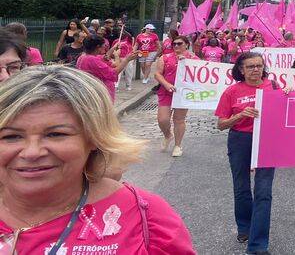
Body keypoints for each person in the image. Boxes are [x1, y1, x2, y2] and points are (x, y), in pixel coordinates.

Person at [0, 66, 195, 253]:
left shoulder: (147, 217)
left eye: (56, 134)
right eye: (11, 136)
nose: (31, 152)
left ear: (94, 137)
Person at [215, 52, 279, 255]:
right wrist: (239, 115)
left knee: (263, 192)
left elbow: (286, 109)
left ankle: (258, 245)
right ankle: (244, 226)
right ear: (241, 70)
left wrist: (289, 93)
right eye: (250, 66)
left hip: (267, 141)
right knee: (242, 187)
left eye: (259, 66)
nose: (255, 70)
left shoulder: (273, 86)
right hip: (240, 140)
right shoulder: (232, 92)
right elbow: (221, 125)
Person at [152, 35, 197, 157]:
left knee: (179, 119)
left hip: (183, 93)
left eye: (179, 43)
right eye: (174, 44)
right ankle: (168, 135)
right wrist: (166, 84)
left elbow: (199, 76)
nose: (176, 46)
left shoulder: (193, 58)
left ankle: (178, 145)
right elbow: (157, 74)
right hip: (166, 92)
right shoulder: (165, 57)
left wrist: (187, 62)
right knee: (163, 119)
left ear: (186, 44)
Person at [76, 36, 139, 101]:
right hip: (100, 94)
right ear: (98, 47)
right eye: (103, 45)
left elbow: (104, 57)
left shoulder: (83, 57)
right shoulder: (92, 59)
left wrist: (113, 49)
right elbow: (113, 74)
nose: (105, 47)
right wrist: (127, 59)